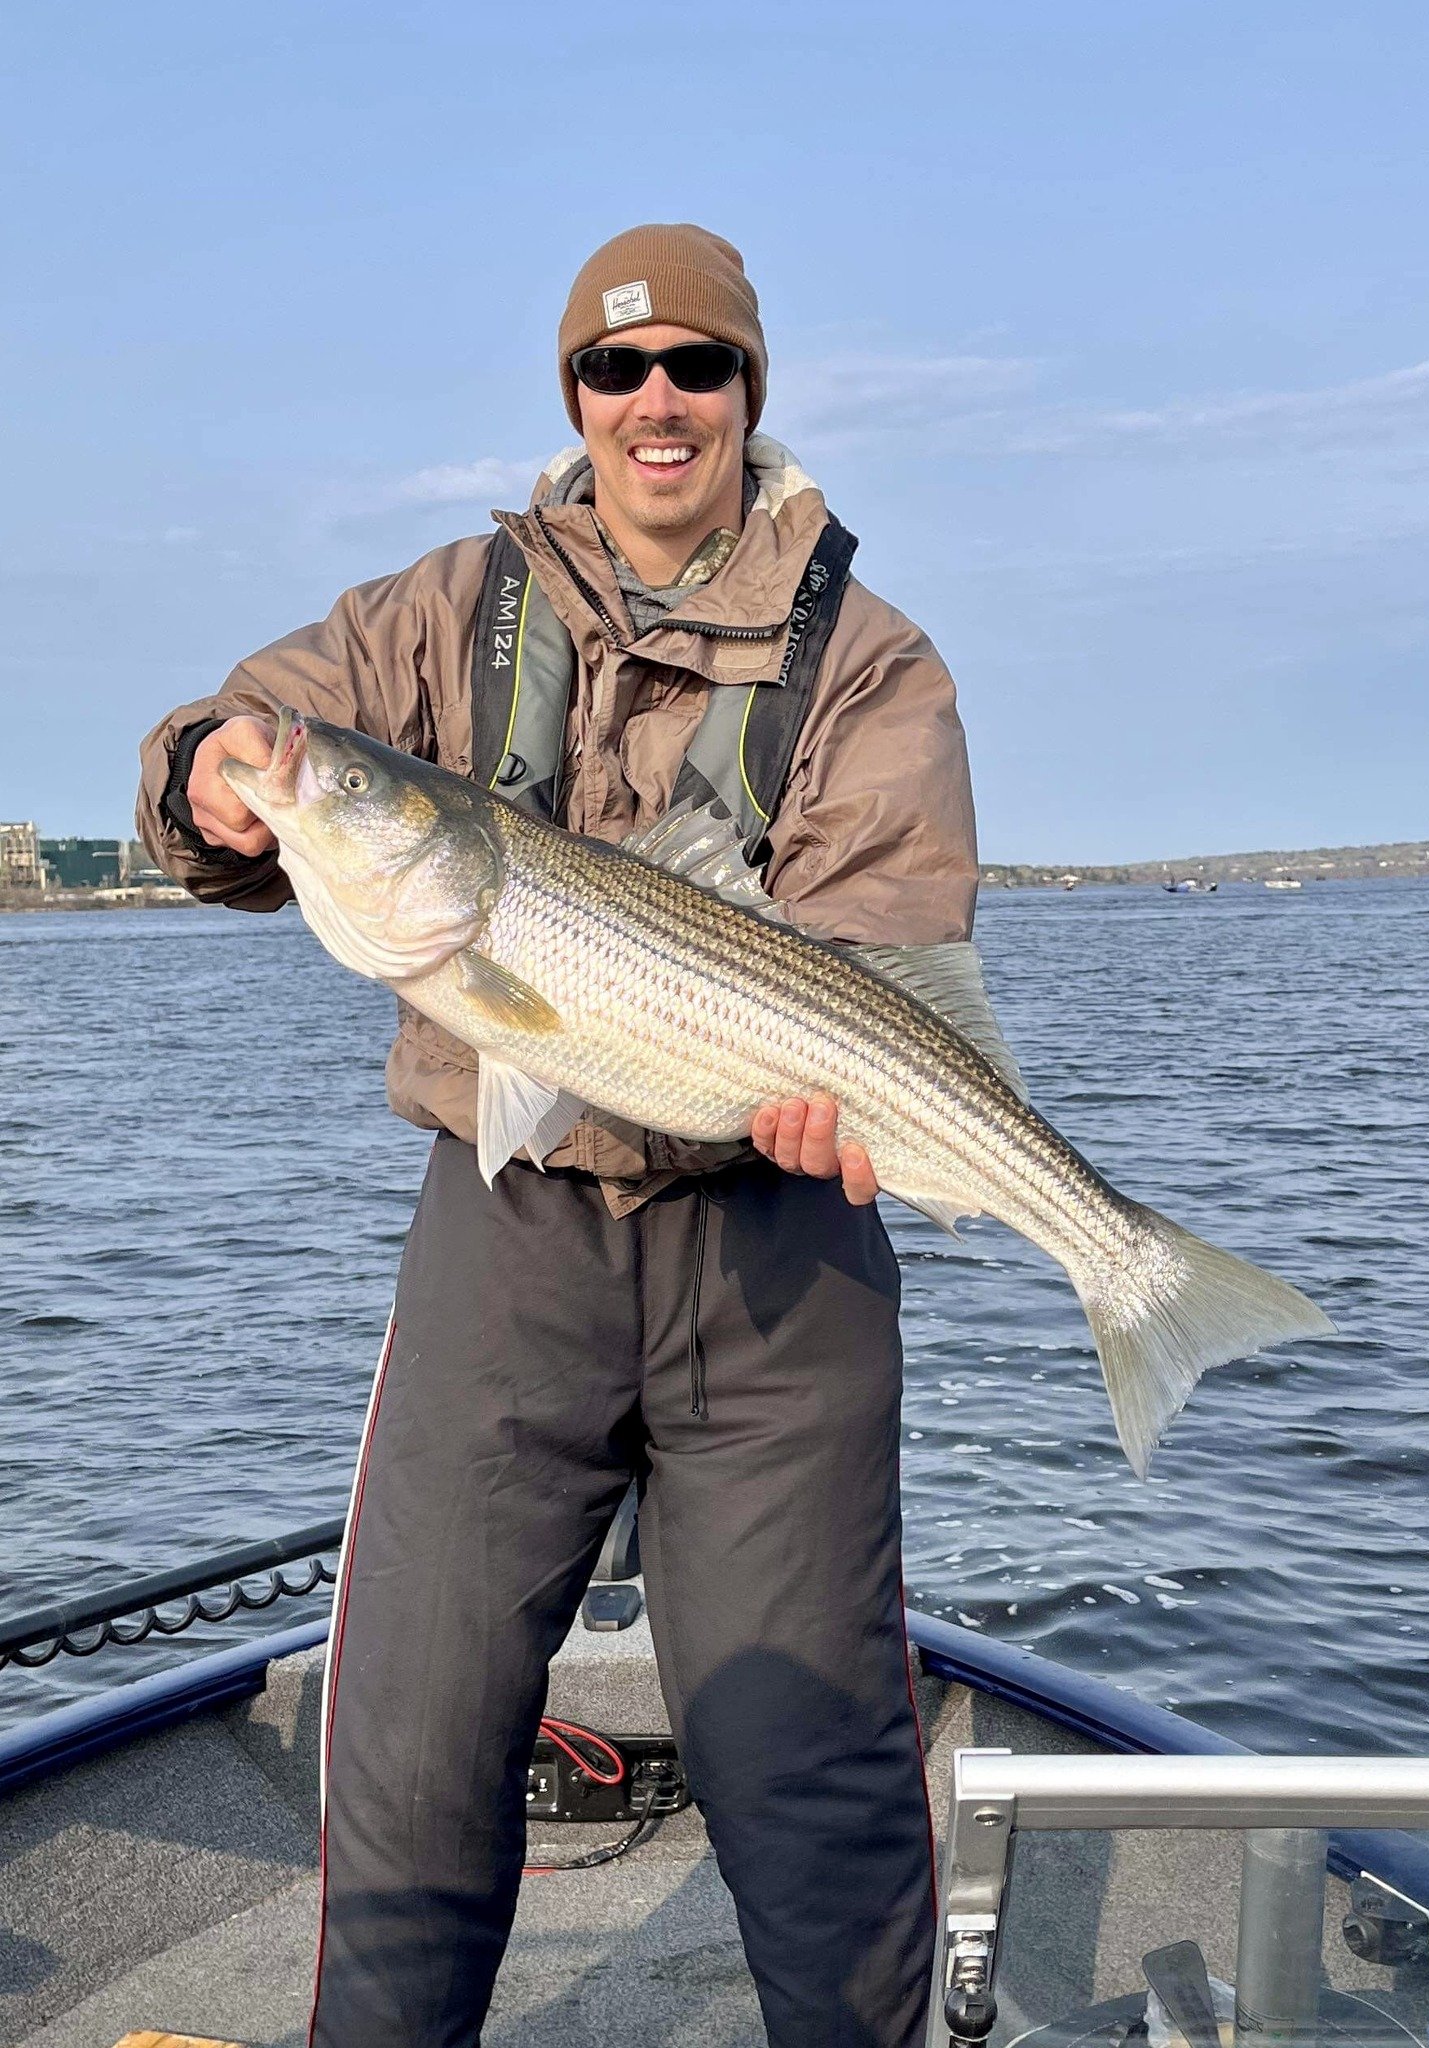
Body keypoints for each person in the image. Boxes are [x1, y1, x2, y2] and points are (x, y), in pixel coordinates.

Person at [137, 223, 979, 2048]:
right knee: (414, 1736)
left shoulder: (875, 659)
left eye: (699, 367)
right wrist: (219, 758)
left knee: (805, 1758)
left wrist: (856, 1094)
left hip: (778, 1259)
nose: (656, 403)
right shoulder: (454, 605)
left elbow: (885, 946)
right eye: (617, 372)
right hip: (509, 1241)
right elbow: (249, 730)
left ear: (752, 394)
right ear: (575, 404)